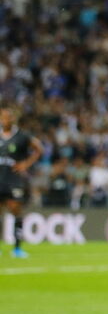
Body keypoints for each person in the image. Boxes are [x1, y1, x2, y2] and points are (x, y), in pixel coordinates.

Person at [0, 106, 44, 258]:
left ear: (13, 119)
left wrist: (26, 164)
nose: (5, 120)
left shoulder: (22, 136)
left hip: (13, 180)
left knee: (15, 210)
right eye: (3, 117)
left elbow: (39, 148)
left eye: (8, 117)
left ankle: (17, 248)